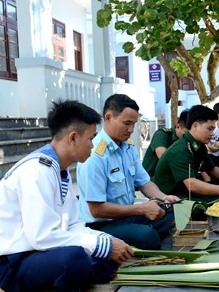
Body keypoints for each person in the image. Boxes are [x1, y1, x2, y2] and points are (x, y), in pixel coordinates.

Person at [0, 100, 134, 292]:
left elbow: (73, 225)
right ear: (73, 138)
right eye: (91, 138)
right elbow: (42, 236)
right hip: (14, 264)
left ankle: (74, 277)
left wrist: (106, 241)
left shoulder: (59, 170)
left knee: (108, 253)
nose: (93, 144)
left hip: (39, 253)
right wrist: (100, 244)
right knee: (77, 258)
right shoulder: (37, 171)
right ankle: (66, 287)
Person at [77, 94, 180, 250]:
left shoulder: (128, 147)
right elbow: (96, 210)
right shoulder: (95, 155)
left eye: (134, 124)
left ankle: (144, 243)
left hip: (127, 217)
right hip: (101, 225)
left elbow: (144, 183)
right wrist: (142, 209)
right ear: (109, 117)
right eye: (127, 123)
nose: (131, 130)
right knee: (147, 235)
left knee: (171, 214)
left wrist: (164, 198)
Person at [153, 105, 219, 201]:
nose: (212, 134)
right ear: (195, 126)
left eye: (213, 129)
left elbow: (212, 170)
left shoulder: (199, 144)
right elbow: (192, 185)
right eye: (209, 128)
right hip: (172, 196)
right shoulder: (180, 150)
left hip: (186, 191)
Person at [142, 109, 189, 177]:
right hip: (150, 181)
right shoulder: (162, 134)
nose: (188, 137)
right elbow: (162, 155)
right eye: (186, 133)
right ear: (178, 126)